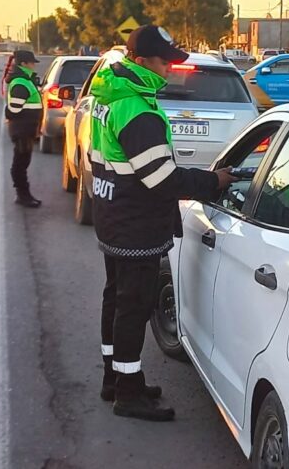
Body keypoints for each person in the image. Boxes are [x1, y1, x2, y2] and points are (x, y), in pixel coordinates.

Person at [88, 25, 236, 422]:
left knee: (116, 299)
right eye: (163, 61)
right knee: (133, 307)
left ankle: (115, 378)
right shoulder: (137, 110)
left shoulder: (112, 94)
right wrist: (213, 182)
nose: (171, 69)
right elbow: (163, 180)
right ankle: (129, 393)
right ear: (140, 61)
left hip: (112, 213)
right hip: (135, 222)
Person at [4, 50, 43, 208]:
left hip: (25, 129)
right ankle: (22, 195)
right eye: (32, 62)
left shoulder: (25, 80)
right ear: (24, 64)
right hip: (22, 130)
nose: (34, 65)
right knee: (20, 163)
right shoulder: (20, 82)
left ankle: (24, 194)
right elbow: (13, 109)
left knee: (22, 162)